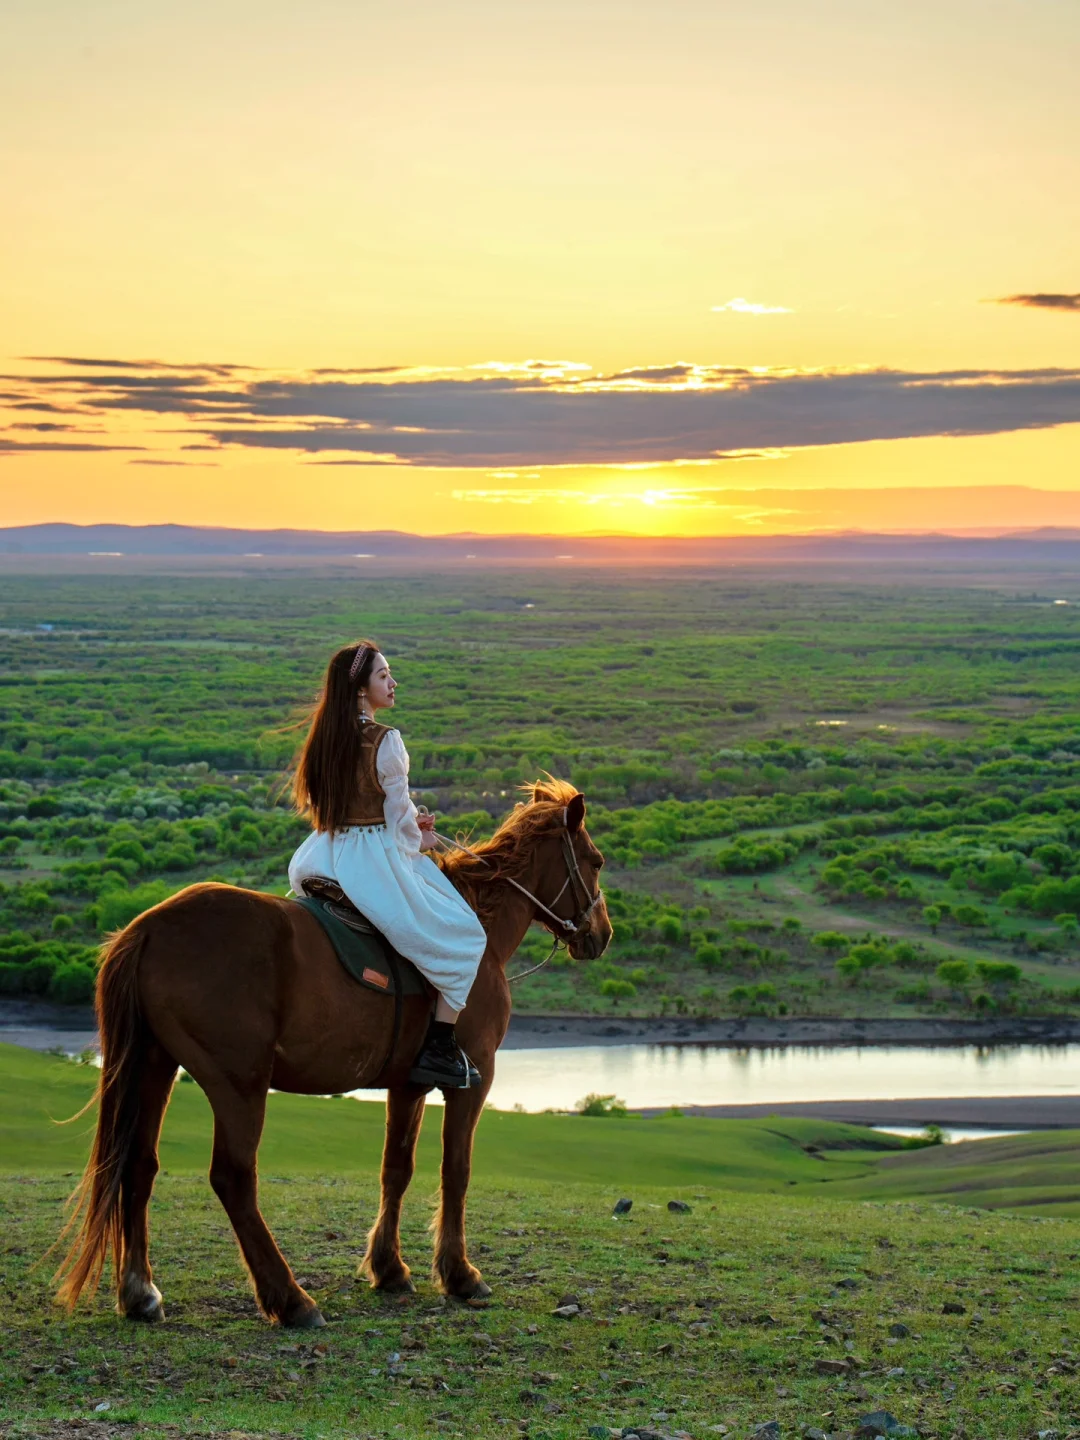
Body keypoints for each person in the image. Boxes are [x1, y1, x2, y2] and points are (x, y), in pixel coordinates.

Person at [288, 640, 487, 1088]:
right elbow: (398, 824)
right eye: (383, 675)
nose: (392, 683)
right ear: (361, 689)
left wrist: (409, 824)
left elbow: (339, 807)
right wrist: (423, 837)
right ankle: (439, 1044)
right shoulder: (387, 740)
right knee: (466, 936)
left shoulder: (324, 738)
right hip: (372, 861)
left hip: (325, 853)